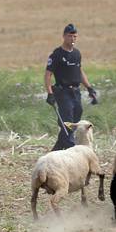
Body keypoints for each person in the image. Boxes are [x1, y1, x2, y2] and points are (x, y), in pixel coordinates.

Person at [44, 23, 97, 151]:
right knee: (67, 122)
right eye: (70, 36)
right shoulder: (56, 54)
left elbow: (79, 71)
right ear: (64, 36)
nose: (72, 39)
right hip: (63, 93)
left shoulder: (77, 54)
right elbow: (47, 75)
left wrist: (89, 88)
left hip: (76, 92)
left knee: (75, 121)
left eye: (75, 36)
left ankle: (56, 151)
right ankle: (72, 149)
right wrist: (50, 93)